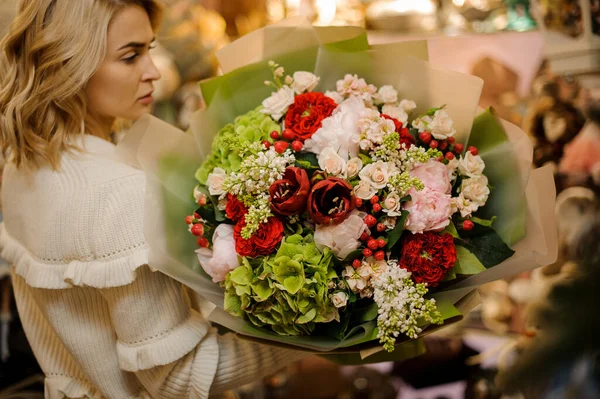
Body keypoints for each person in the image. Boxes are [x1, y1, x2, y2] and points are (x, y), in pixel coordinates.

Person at [0, 1, 306, 398]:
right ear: (67, 64)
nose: (154, 72)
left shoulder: (21, 162)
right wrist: (315, 339)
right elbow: (179, 380)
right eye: (130, 56)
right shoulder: (119, 194)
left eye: (150, 48)